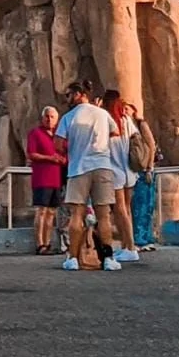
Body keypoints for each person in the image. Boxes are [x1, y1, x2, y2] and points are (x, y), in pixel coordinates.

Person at [53, 81, 121, 271]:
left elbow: (58, 145)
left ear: (78, 94)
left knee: (77, 214)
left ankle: (73, 258)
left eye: (68, 95)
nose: (67, 99)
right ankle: (108, 258)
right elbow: (116, 133)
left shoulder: (69, 117)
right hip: (102, 165)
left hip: (78, 168)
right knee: (104, 215)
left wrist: (75, 148)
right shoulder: (102, 113)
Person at [102, 89, 140, 263]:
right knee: (127, 209)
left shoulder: (106, 121)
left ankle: (130, 247)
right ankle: (127, 245)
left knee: (120, 210)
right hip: (128, 169)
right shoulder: (126, 120)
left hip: (114, 169)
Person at [26, 106, 65, 254]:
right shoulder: (35, 133)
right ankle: (39, 244)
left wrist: (62, 159)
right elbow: (31, 154)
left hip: (56, 179)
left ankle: (48, 243)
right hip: (42, 178)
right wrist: (50, 158)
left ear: (57, 119)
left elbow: (65, 153)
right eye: (47, 116)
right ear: (42, 118)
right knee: (41, 211)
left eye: (52, 117)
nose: (49, 119)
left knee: (51, 212)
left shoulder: (59, 135)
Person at [126, 101, 158, 251]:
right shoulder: (125, 125)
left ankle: (143, 238)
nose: (125, 111)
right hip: (134, 170)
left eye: (128, 109)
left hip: (144, 169)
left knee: (145, 204)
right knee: (137, 206)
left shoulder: (140, 125)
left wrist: (149, 167)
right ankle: (140, 237)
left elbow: (151, 145)